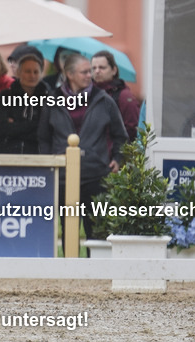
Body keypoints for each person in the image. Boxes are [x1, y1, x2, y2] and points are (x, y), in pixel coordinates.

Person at [39, 53, 129, 247]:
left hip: (95, 176)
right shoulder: (52, 100)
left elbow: (120, 135)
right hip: (63, 176)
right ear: (70, 74)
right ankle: (70, 273)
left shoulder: (104, 100)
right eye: (85, 72)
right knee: (68, 229)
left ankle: (96, 275)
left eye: (90, 71)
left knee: (97, 231)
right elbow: (44, 138)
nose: (90, 75)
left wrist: (118, 158)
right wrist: (47, 164)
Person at [0, 52, 49, 154]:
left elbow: (45, 131)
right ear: (19, 73)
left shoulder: (47, 98)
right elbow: (4, 129)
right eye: (28, 71)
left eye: (36, 72)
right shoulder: (6, 96)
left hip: (38, 154)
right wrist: (34, 124)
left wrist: (17, 124)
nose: (32, 75)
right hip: (9, 153)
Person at [91, 50, 141, 137]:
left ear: (114, 70)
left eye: (102, 67)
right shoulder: (87, 93)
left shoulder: (124, 97)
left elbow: (132, 129)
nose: (97, 71)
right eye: (94, 68)